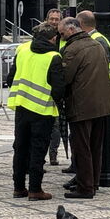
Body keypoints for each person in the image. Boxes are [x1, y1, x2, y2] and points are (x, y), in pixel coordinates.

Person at [58, 16, 110, 199]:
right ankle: (94, 182)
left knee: (81, 147)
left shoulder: (73, 49)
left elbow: (65, 78)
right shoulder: (96, 44)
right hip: (103, 103)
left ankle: (85, 187)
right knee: (95, 146)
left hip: (82, 105)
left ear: (70, 29)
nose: (61, 37)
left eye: (61, 33)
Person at [9, 22, 66, 200]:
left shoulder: (23, 51)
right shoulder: (53, 57)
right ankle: (35, 189)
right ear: (53, 38)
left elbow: (11, 77)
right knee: (38, 150)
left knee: (20, 148)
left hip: (21, 106)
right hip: (42, 110)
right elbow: (58, 88)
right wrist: (61, 104)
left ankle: (18, 188)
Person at [44, 8, 64, 166]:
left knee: (57, 124)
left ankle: (53, 154)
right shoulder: (40, 35)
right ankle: (41, 154)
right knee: (44, 123)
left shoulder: (64, 37)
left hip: (58, 83)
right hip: (42, 85)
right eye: (52, 19)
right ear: (47, 19)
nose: (54, 22)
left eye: (57, 19)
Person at [76, 10, 110, 82]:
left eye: (76, 24)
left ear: (80, 24)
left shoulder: (97, 40)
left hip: (101, 84)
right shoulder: (97, 38)